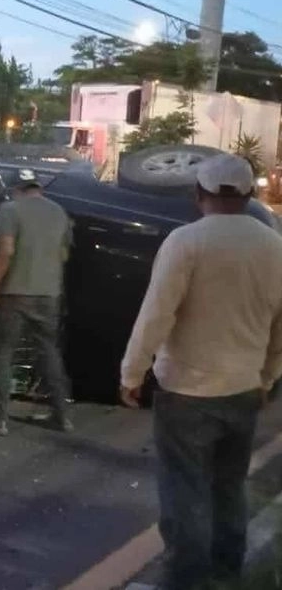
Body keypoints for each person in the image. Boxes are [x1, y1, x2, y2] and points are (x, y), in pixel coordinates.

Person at [120, 155, 282, 590]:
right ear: (250, 196)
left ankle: (185, 581)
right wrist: (267, 377)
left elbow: (156, 314)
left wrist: (132, 373)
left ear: (198, 195)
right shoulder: (275, 246)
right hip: (244, 389)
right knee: (229, 487)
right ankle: (227, 573)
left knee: (185, 490)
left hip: (186, 392)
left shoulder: (185, 242)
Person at [0, 169, 73, 436]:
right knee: (49, 352)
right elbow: (64, 253)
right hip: (49, 293)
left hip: (15, 293)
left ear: (16, 189)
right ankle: (62, 416)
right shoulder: (59, 212)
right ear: (38, 187)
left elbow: (6, 250)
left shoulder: (10, 209)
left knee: (3, 353)